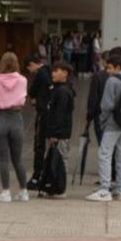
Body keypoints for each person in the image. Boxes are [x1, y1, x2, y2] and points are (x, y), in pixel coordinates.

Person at [86, 54, 121, 202]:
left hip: (113, 123)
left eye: (109, 67)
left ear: (118, 67)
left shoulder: (112, 81)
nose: (107, 71)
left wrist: (102, 121)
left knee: (104, 154)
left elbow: (106, 105)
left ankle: (104, 189)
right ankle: (120, 189)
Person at [0, 53, 30, 203]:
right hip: (17, 118)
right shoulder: (23, 81)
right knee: (18, 159)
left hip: (1, 119)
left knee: (3, 159)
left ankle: (5, 192)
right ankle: (24, 191)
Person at [42, 61, 75, 198]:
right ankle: (54, 185)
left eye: (57, 71)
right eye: (53, 71)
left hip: (60, 133)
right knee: (55, 158)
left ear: (65, 73)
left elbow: (59, 115)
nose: (53, 74)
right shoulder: (58, 89)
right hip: (57, 132)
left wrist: (55, 133)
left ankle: (60, 187)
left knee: (60, 159)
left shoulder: (63, 92)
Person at [25, 53, 52, 191]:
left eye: (29, 68)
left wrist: (35, 98)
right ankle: (48, 174)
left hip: (43, 113)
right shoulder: (50, 70)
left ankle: (37, 176)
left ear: (32, 64)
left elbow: (32, 91)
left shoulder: (41, 74)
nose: (30, 72)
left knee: (39, 145)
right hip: (50, 113)